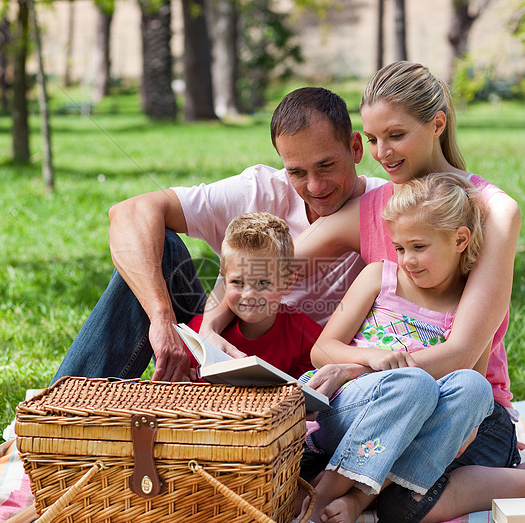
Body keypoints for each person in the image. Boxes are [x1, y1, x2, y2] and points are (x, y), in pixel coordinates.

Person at [293, 61, 525, 523]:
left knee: (401, 509)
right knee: (402, 496)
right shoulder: (379, 206)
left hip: (465, 413)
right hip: (380, 403)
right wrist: (211, 320)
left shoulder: (493, 211)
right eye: (371, 140)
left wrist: (361, 364)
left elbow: (462, 353)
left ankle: (522, 482)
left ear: (436, 123)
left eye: (394, 135)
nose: (380, 153)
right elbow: (272, 265)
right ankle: (486, 483)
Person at [50, 87, 386, 386]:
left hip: (309, 362)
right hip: (220, 348)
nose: (314, 186)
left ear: (355, 147)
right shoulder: (260, 189)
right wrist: (162, 319)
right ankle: (58, 415)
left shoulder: (387, 207)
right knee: (160, 247)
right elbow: (129, 212)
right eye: (297, 172)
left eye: (326, 166)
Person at [301, 172, 495, 523]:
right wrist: (372, 359)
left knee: (474, 388)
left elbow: (471, 398)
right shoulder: (380, 278)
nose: (407, 260)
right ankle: (319, 500)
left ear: (459, 240)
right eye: (400, 248)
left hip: (413, 426)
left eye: (419, 247)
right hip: (348, 408)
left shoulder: (468, 310)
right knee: (414, 381)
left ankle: (358, 500)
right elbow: (322, 349)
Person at [184, 212, 321, 378]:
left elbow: (306, 394)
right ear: (225, 281)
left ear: (288, 282)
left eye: (263, 283)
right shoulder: (196, 336)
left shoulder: (306, 336)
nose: (249, 294)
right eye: (237, 282)